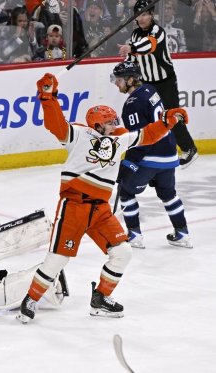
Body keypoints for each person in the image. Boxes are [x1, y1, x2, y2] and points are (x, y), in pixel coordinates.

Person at [16, 72, 189, 323]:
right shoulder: (79, 135)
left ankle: (100, 299)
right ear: (96, 125)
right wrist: (48, 97)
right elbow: (55, 124)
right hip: (74, 206)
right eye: (109, 122)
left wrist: (167, 120)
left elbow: (148, 135)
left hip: (100, 210)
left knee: (123, 252)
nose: (114, 124)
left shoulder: (119, 138)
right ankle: (30, 300)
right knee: (58, 258)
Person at [112, 61, 192, 249]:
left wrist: (129, 163)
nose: (117, 83)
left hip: (150, 157)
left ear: (131, 80)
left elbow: (140, 139)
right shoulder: (150, 89)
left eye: (119, 80)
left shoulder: (132, 103)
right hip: (169, 154)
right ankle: (182, 233)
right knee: (168, 194)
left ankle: (134, 236)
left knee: (126, 191)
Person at [118, 0, 198, 168]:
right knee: (149, 120)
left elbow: (149, 46)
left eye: (145, 14)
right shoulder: (134, 35)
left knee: (171, 116)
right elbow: (132, 59)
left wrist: (131, 48)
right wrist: (123, 68)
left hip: (165, 82)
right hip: (147, 84)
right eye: (139, 15)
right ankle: (152, 151)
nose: (141, 18)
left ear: (152, 15)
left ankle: (189, 148)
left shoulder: (158, 31)